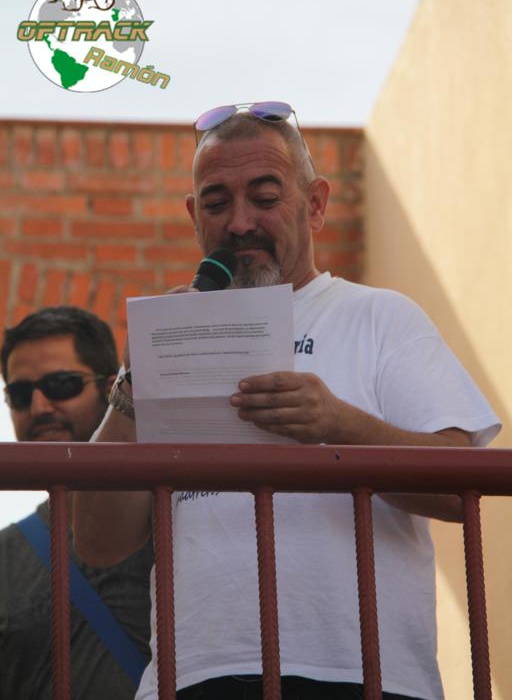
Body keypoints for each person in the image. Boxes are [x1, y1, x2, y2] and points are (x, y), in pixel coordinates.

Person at [73, 103, 500, 700]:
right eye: (216, 204)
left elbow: (463, 490)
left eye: (265, 198)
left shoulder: (380, 317)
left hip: (364, 675)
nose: (239, 222)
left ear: (315, 204)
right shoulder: (169, 336)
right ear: (194, 217)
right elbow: (96, 543)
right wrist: (133, 384)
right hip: (195, 679)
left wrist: (338, 425)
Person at [0, 306, 154, 700]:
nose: (39, 408)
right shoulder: (5, 554)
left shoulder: (178, 519)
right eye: (20, 394)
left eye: (62, 385)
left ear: (111, 389)